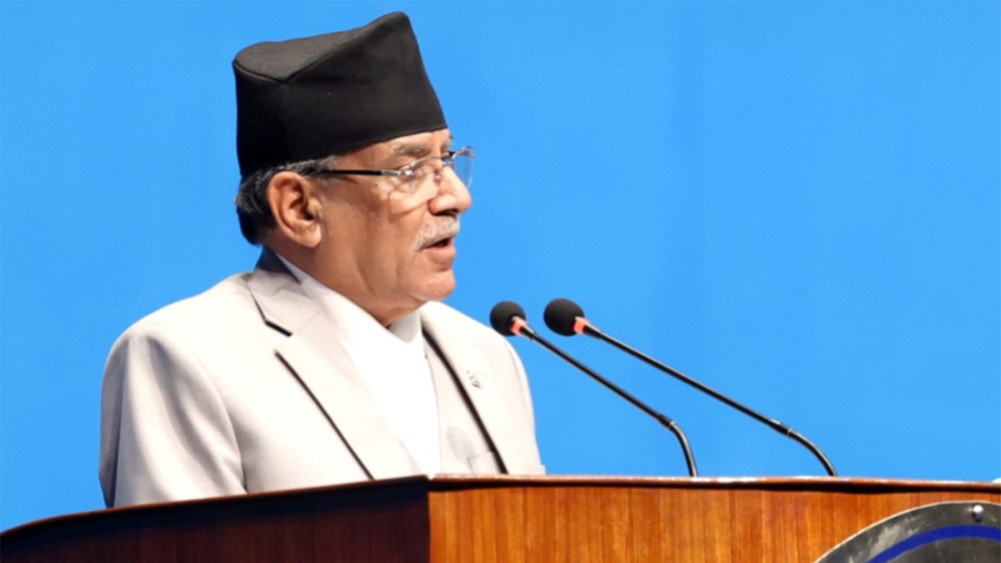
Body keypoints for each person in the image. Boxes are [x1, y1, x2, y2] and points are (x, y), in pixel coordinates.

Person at [99, 12, 544, 508]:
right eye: (411, 169)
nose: (456, 197)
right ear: (300, 208)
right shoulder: (187, 357)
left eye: (447, 159)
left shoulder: (486, 355)